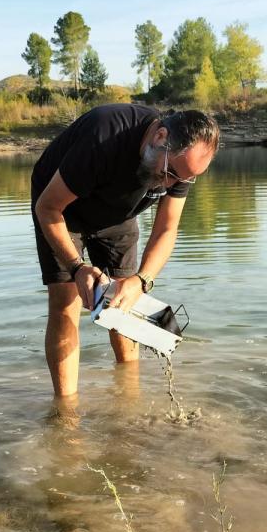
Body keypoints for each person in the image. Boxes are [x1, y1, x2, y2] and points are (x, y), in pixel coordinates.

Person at [31, 103, 219, 397]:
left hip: (119, 216)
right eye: (169, 173)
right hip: (62, 210)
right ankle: (66, 411)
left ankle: (128, 397)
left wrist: (141, 280)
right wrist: (77, 267)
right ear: (160, 137)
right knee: (66, 304)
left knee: (124, 299)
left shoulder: (180, 167)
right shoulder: (104, 135)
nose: (171, 185)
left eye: (182, 180)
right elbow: (47, 207)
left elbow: (167, 229)